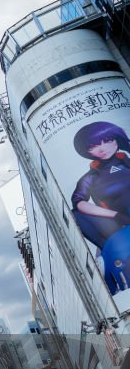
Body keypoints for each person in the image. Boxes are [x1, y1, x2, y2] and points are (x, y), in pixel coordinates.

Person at [70, 121, 130, 292]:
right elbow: (79, 203)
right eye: (94, 146)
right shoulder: (90, 178)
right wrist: (115, 216)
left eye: (108, 140)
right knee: (76, 214)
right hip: (120, 225)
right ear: (86, 151)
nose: (102, 148)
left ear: (117, 140)